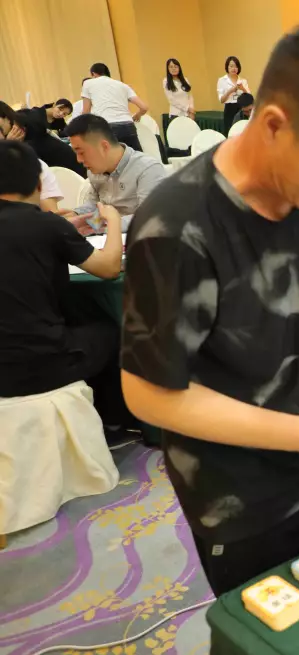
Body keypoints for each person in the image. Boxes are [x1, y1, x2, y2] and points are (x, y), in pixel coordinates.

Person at [120, 25, 299, 596]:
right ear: (274, 125)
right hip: (239, 500)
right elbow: (148, 393)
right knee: (270, 636)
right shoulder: (176, 228)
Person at [0, 140, 128, 440]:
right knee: (110, 330)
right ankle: (112, 424)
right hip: (42, 363)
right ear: (38, 183)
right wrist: (113, 222)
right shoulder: (47, 226)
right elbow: (110, 267)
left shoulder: (50, 227)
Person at [66, 114, 167, 233]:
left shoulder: (147, 168)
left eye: (81, 152)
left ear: (104, 146)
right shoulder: (94, 171)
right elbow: (94, 204)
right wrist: (76, 215)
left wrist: (97, 225)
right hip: (106, 236)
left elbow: (149, 218)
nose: (79, 160)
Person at [0, 99, 85, 177]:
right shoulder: (18, 132)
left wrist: (9, 147)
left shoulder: (28, 124)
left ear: (7, 118)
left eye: (0, 129)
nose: (60, 114)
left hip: (70, 170)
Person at [81, 63, 150, 152]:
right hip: (128, 126)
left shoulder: (88, 83)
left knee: (111, 158)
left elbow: (86, 112)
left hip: (106, 126)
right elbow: (144, 107)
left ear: (93, 74)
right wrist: (137, 115)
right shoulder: (123, 85)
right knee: (136, 157)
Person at [218, 56, 251, 131]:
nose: (234, 68)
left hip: (242, 109)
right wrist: (230, 91)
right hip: (229, 109)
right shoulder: (222, 80)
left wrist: (242, 88)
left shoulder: (243, 81)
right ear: (227, 67)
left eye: (236, 66)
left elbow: (249, 98)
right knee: (230, 131)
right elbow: (221, 100)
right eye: (231, 66)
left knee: (242, 131)